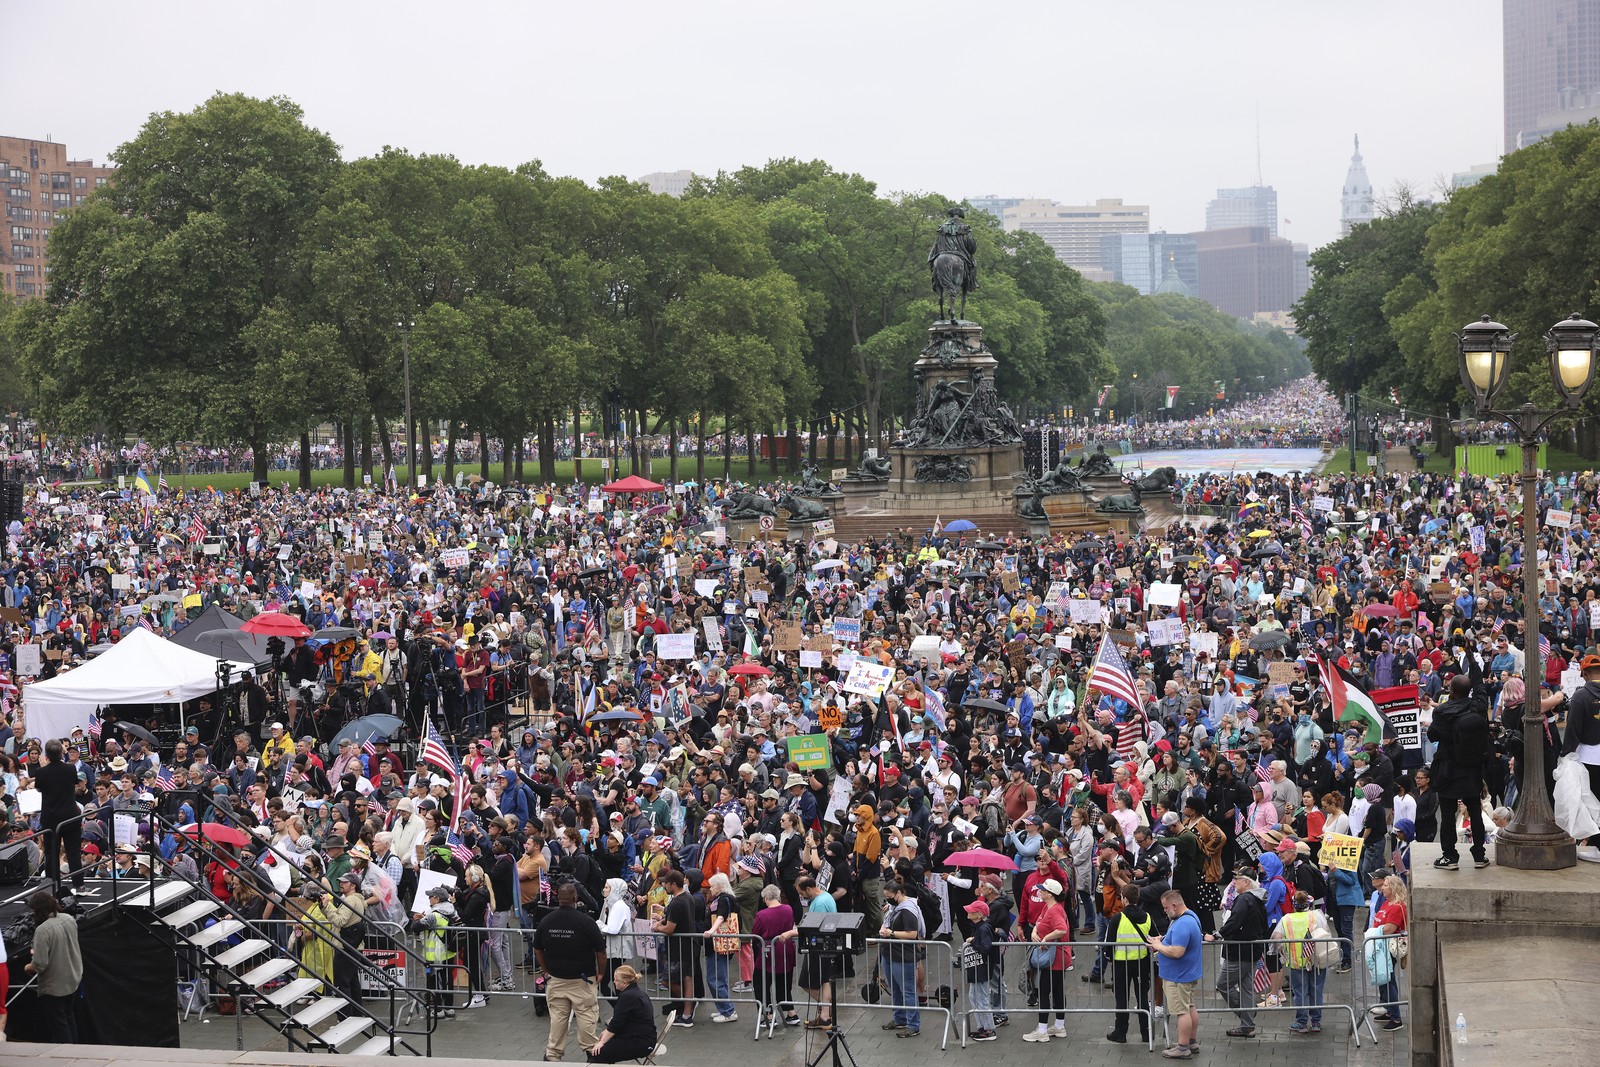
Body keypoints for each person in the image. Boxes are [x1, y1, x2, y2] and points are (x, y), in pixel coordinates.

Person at [535, 882, 607, 1062]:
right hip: (583, 981)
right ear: (576, 898)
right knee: (586, 1019)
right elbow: (601, 952)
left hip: (556, 979)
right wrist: (601, 973)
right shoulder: (587, 922)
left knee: (558, 1020)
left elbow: (538, 949)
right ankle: (592, 1053)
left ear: (558, 898)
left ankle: (553, 1055)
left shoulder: (546, 921)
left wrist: (545, 971)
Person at [1427, 674, 1490, 870]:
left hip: (1448, 770)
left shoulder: (1443, 711)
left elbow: (1433, 735)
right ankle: (1479, 855)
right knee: (1476, 813)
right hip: (1471, 769)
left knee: (1447, 815)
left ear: (1451, 691)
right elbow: (1480, 688)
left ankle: (1450, 857)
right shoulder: (1477, 707)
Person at [1213, 865, 1268, 1039]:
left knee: (1223, 984)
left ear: (1246, 881)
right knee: (1246, 988)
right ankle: (1247, 1022)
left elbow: (1235, 920)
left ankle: (1247, 1018)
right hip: (1251, 949)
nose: (1234, 882)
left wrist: (1218, 934)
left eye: (1237, 879)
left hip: (1240, 950)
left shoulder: (1244, 899)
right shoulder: (1257, 898)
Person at [1147, 889, 1202, 1060]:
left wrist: (1158, 945)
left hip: (1178, 976)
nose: (1164, 911)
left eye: (1165, 908)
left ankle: (1183, 1047)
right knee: (1189, 1006)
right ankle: (1191, 1042)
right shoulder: (1190, 917)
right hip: (1188, 973)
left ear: (1174, 905)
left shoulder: (1182, 924)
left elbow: (1177, 951)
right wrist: (1165, 939)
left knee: (1181, 1011)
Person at [1272, 890, 1331, 1034]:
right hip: (1316, 960)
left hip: (1296, 961)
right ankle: (1316, 1022)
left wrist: (1283, 950)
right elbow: (1326, 934)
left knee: (1300, 992)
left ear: (1294, 905)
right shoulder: (1316, 915)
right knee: (1316, 990)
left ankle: (1301, 1022)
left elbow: (1275, 937)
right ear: (1308, 904)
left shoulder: (1286, 919)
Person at [25, 891, 82, 1042]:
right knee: (70, 1019)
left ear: (38, 910)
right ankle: (76, 1053)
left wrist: (27, 967)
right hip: (73, 979)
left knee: (59, 1026)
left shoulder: (43, 930)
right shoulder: (69, 919)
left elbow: (39, 964)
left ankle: (66, 1058)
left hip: (54, 986)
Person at [1021, 876, 1071, 1042]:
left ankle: (1042, 1030)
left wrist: (1046, 938)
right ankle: (1058, 1026)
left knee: (1044, 992)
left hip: (1054, 958)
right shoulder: (1048, 908)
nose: (1040, 891)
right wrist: (1035, 932)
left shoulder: (1054, 910)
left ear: (1051, 894)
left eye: (1043, 889)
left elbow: (1062, 930)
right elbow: (1038, 922)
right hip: (1055, 957)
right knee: (1057, 991)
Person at [1561, 652, 1600, 863]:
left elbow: (1573, 730)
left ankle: (1597, 846)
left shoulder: (1581, 696)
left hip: (1590, 757)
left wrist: (1566, 754)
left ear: (1584, 673)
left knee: (1593, 802)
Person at [35, 740, 85, 893]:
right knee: (73, 851)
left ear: (47, 755)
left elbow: (39, 788)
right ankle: (79, 885)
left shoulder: (41, 772)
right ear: (61, 752)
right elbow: (75, 782)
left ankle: (52, 885)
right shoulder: (70, 769)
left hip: (51, 817)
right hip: (70, 815)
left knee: (51, 853)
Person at [1106, 882, 1153, 1045]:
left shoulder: (1117, 918)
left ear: (1124, 899)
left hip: (1121, 964)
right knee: (1142, 998)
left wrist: (1110, 959)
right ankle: (1146, 1033)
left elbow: (1108, 946)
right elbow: (1154, 939)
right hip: (1142, 963)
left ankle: (1121, 1033)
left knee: (1122, 998)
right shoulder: (1147, 917)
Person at [878, 879, 925, 1038]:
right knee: (896, 989)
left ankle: (913, 1025)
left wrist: (890, 933)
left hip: (903, 956)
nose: (888, 899)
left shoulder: (908, 910)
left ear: (899, 893)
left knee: (908, 990)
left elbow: (912, 934)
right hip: (889, 953)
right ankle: (899, 1018)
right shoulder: (894, 907)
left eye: (890, 896)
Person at [751, 883, 800, 1028]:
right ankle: (791, 1013)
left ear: (765, 898)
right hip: (786, 950)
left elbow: (755, 934)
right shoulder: (788, 909)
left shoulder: (762, 914)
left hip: (768, 951)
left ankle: (769, 1015)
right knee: (784, 982)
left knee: (761, 983)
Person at [586, 964, 657, 1063]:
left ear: (624, 983)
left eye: (616, 980)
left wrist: (602, 1042)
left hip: (640, 1042)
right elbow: (618, 1021)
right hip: (643, 1038)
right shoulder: (636, 992)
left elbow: (616, 1024)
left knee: (597, 1053)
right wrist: (606, 1034)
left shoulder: (628, 997)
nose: (614, 982)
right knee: (597, 1050)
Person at [1368, 873, 1407, 1033]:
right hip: (1381, 946)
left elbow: (1390, 928)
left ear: (1393, 888)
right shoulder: (1387, 903)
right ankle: (1389, 1011)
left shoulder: (1397, 907)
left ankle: (1396, 1018)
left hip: (1387, 947)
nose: (1382, 888)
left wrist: (1373, 932)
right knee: (1384, 980)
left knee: (1388, 980)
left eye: (1385, 885)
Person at [959, 898, 998, 1041]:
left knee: (981, 998)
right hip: (977, 967)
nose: (968, 912)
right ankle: (983, 1027)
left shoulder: (983, 928)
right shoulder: (979, 927)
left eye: (971, 911)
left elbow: (986, 947)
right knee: (975, 997)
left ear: (979, 915)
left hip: (981, 968)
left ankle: (988, 1029)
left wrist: (973, 941)